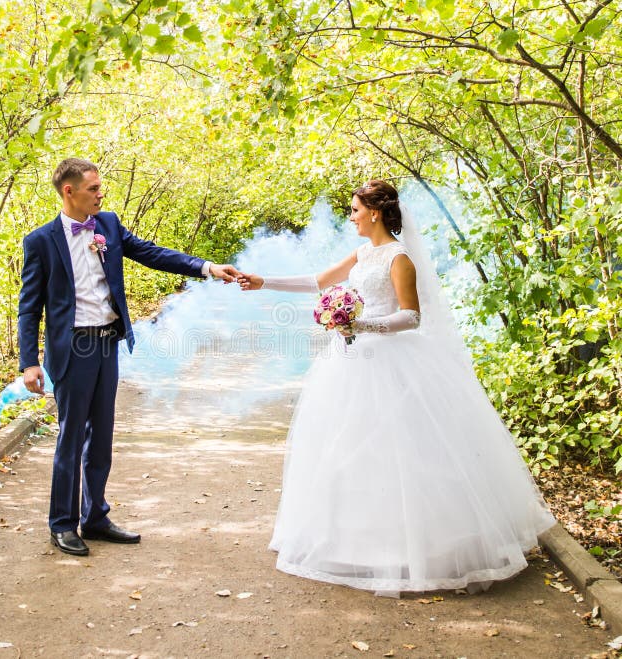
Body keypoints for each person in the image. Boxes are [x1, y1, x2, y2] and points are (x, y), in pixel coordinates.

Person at [237, 180, 555, 596]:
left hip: (393, 362)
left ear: (374, 212)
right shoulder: (363, 253)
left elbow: (412, 316)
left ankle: (411, 550)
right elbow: (318, 281)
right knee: (346, 448)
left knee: (399, 452)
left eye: (354, 210)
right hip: (352, 362)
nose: (350, 217)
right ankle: (353, 544)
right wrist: (263, 281)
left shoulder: (399, 257)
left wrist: (360, 324)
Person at [18, 158, 240, 556]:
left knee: (101, 437)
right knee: (71, 438)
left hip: (107, 345)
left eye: (100, 187)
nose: (100, 194)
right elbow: (29, 307)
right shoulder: (40, 242)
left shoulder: (108, 224)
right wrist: (29, 361)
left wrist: (206, 267)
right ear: (69, 191)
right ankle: (62, 524)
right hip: (72, 349)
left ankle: (95, 517)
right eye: (93, 188)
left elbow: (152, 253)